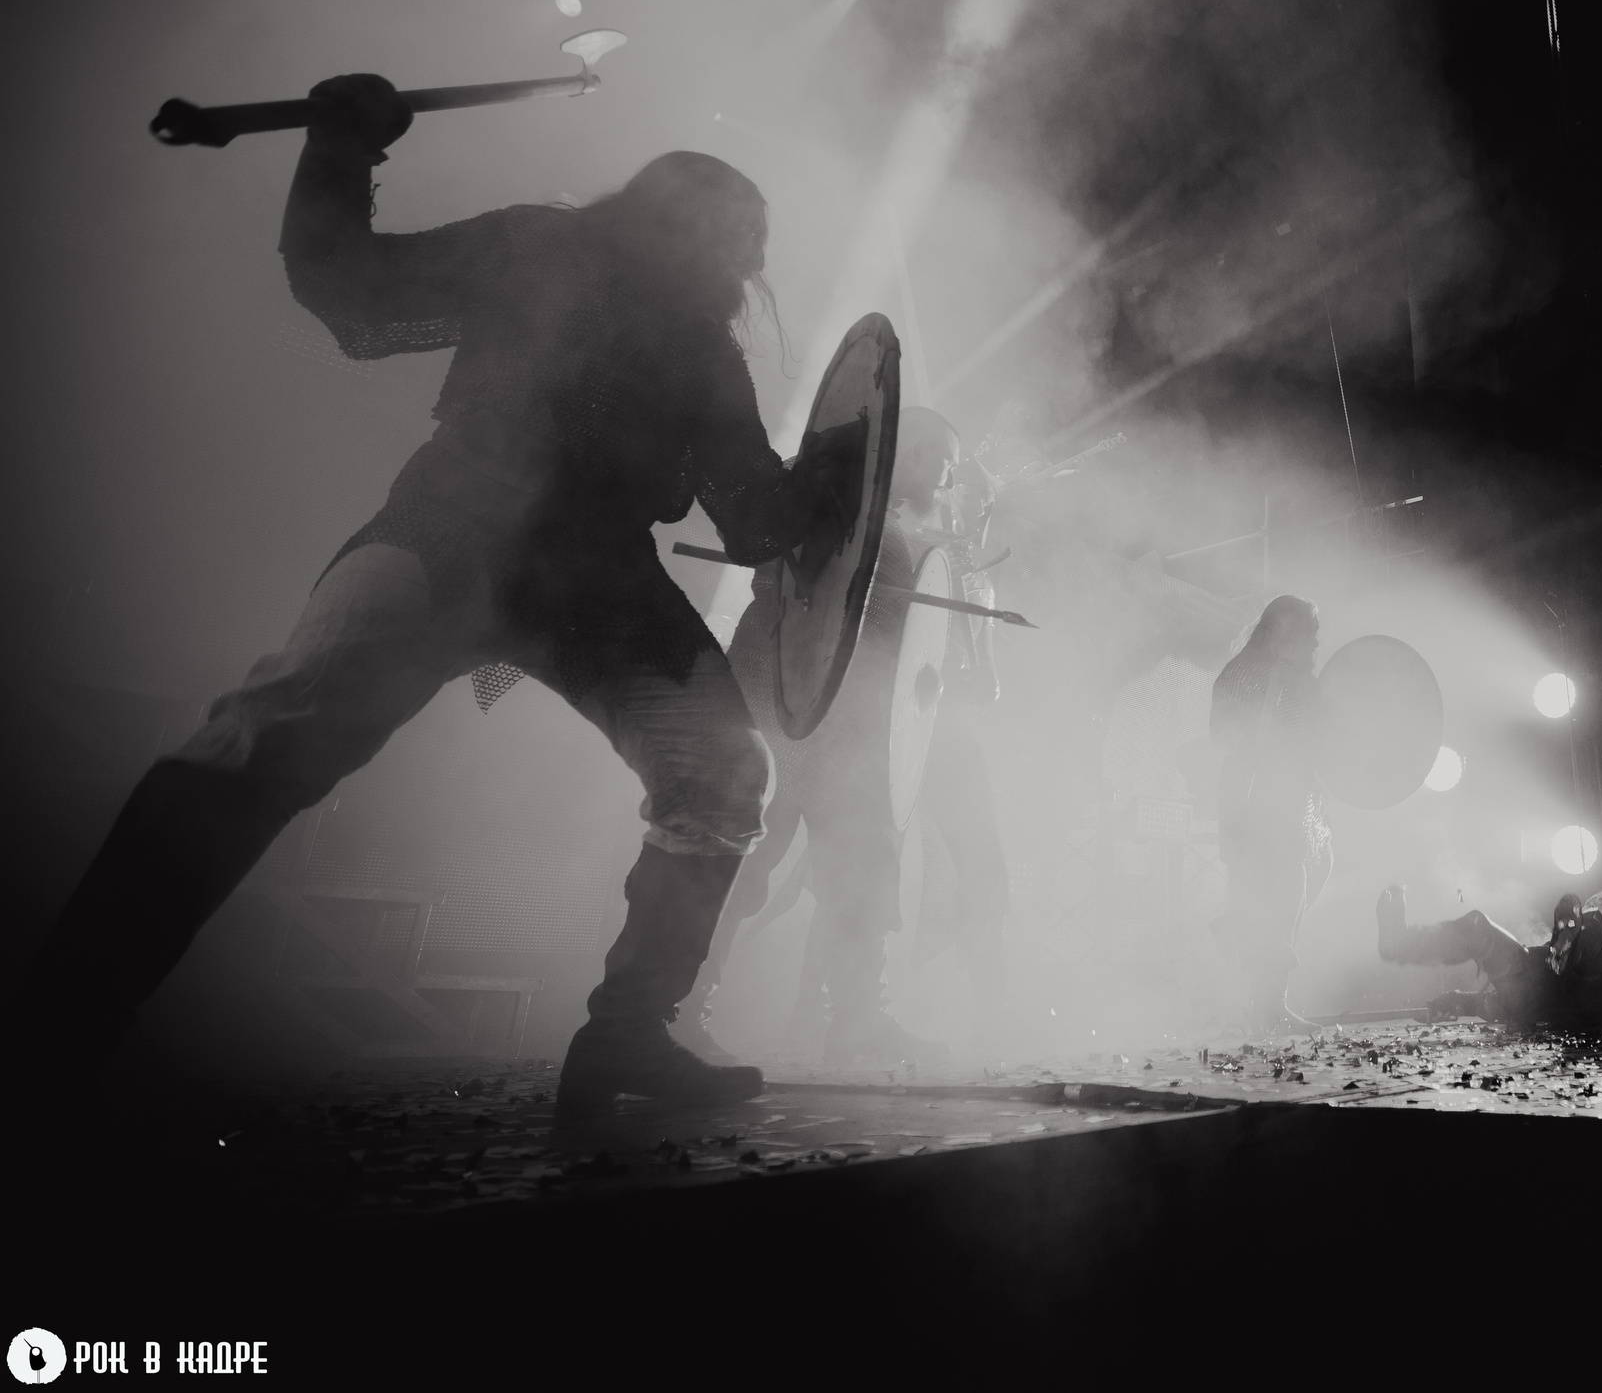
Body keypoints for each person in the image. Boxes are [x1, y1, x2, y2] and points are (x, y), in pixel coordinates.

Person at [27, 75, 864, 1115]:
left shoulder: (703, 353)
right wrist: (339, 150)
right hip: (456, 526)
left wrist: (833, 481)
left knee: (722, 775)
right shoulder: (543, 248)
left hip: (593, 573)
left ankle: (626, 1039)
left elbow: (755, 524)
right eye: (746, 237)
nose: (753, 263)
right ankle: (64, 1012)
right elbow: (355, 293)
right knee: (264, 736)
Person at [702, 408, 1010, 1063]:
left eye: (951, 465)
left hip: (853, 728)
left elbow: (908, 652)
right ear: (905, 449)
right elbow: (776, 566)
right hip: (778, 700)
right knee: (736, 855)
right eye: (939, 457)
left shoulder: (912, 536)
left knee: (860, 867)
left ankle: (856, 1021)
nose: (948, 474)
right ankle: (676, 1006)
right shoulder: (824, 490)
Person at [1209, 595, 1332, 1032]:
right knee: (1278, 893)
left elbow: (1320, 738)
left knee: (1307, 880)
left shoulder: (1304, 681)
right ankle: (1268, 1004)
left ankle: (1241, 932)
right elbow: (1224, 730)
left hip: (1296, 799)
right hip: (1254, 794)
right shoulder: (1247, 671)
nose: (1317, 643)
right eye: (1310, 633)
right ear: (1285, 632)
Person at [1374, 886, 1602, 1028]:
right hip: (1534, 988)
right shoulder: (1564, 944)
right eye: (1593, 901)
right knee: (1476, 924)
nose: (1595, 905)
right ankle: (1399, 944)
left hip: (1580, 1000)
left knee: (1586, 931)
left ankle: (1568, 948)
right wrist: (1464, 1001)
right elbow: (1513, 999)